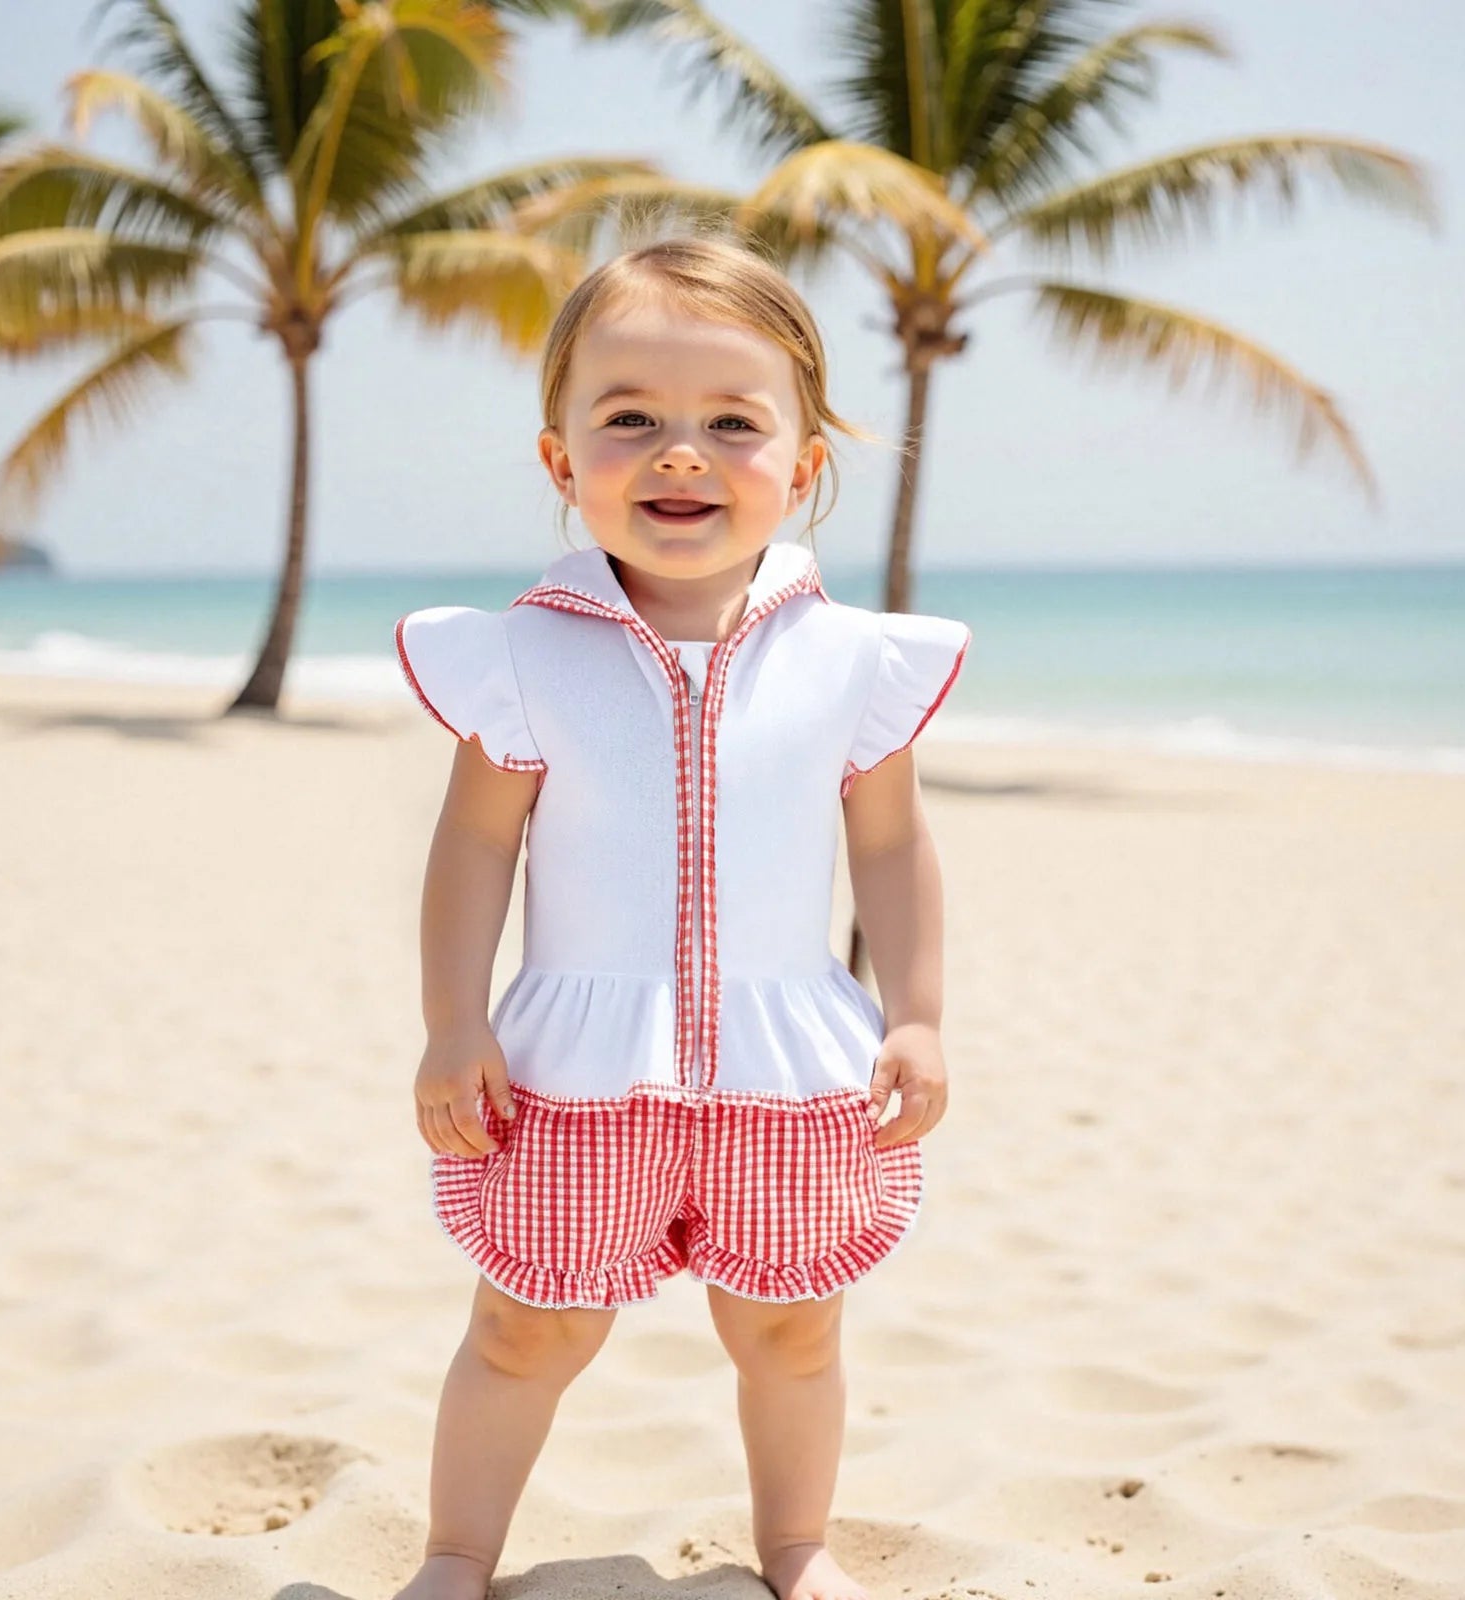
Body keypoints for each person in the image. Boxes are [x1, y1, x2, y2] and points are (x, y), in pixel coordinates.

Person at [390, 233, 972, 1600]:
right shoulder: (526, 656)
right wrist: (449, 1022)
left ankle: (796, 1548)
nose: (679, 454)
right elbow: (476, 843)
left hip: (786, 1064)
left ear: (803, 464)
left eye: (731, 422)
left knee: (792, 1331)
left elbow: (889, 846)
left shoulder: (850, 662)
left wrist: (922, 1014)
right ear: (560, 461)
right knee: (526, 1326)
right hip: (572, 1068)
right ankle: (458, 1555)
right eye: (630, 418)